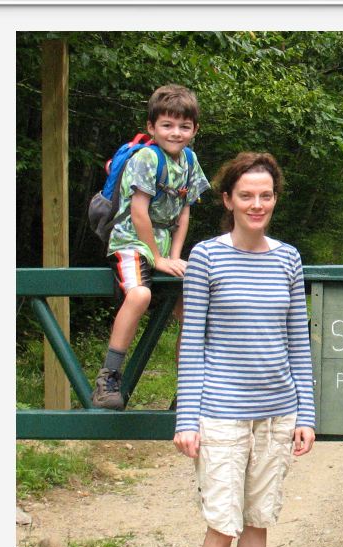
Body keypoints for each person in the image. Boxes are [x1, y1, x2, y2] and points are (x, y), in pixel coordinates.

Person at [173, 152, 316, 547]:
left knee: (258, 521)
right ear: (228, 200)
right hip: (222, 418)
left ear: (274, 199)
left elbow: (297, 339)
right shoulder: (207, 257)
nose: (257, 204)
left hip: (277, 416)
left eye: (266, 195)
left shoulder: (288, 258)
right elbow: (194, 344)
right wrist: (187, 418)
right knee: (221, 526)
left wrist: (306, 411)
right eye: (247, 195)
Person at [91, 84, 211, 410]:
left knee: (192, 306)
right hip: (131, 241)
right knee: (140, 294)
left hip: (162, 247)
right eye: (167, 125)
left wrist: (174, 256)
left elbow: (184, 213)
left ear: (194, 129)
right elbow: (138, 212)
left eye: (184, 126)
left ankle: (187, 391)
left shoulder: (189, 160)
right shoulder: (147, 157)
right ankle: (109, 378)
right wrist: (157, 257)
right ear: (152, 127)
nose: (176, 133)